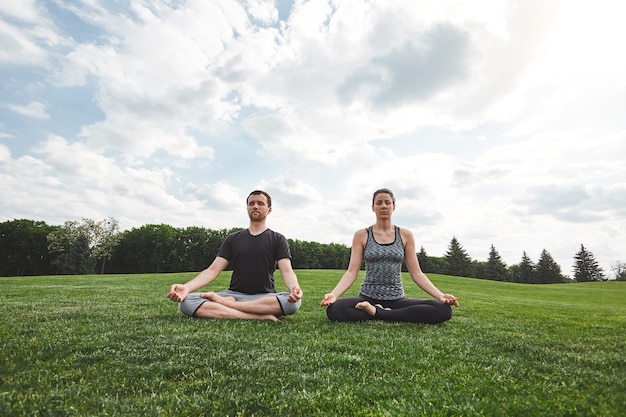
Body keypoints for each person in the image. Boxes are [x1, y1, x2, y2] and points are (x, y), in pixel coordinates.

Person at [320, 188, 459, 324]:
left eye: (387, 202)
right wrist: (334, 294)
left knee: (443, 310)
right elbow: (351, 272)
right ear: (373, 207)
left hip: (397, 300)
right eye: (379, 203)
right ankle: (382, 312)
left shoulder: (405, 235)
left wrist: (440, 295)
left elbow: (417, 273)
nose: (383, 206)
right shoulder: (362, 235)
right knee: (335, 310)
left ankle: (377, 312)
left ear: (394, 206)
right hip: (367, 298)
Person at [167, 190, 302, 322]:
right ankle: (256, 315)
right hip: (233, 295)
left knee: (292, 303)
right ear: (247, 208)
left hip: (264, 297)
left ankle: (226, 305)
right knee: (186, 302)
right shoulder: (233, 239)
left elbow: (287, 271)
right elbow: (212, 270)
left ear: (269, 209)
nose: (255, 206)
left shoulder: (278, 239)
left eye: (260, 203)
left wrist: (294, 289)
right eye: (251, 203)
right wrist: (187, 288)